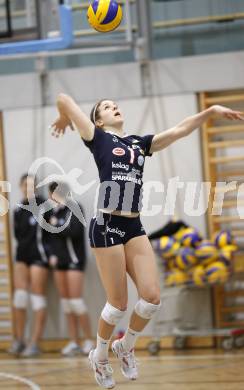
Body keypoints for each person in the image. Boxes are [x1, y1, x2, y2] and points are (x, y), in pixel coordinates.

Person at [51, 94, 243, 389]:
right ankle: (99, 355)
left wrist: (211, 110)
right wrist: (65, 118)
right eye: (105, 106)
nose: (114, 106)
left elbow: (179, 130)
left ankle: (125, 346)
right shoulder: (97, 137)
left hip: (133, 225)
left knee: (152, 298)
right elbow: (64, 98)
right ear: (98, 120)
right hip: (106, 225)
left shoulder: (140, 144)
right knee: (117, 305)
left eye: (114, 103)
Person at [46, 180, 94, 356]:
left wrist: (56, 224)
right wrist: (51, 254)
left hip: (75, 260)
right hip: (59, 261)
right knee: (66, 304)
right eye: (52, 193)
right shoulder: (52, 212)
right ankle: (74, 341)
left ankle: (89, 340)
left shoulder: (75, 207)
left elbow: (74, 231)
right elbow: (49, 237)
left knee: (76, 302)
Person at [9, 174, 49, 357]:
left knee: (37, 297)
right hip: (22, 256)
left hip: (38, 256)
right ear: (20, 186)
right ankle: (19, 340)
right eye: (25, 184)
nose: (28, 187)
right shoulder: (17, 209)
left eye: (32, 185)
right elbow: (18, 236)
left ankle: (34, 343)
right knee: (19, 297)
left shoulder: (43, 205)